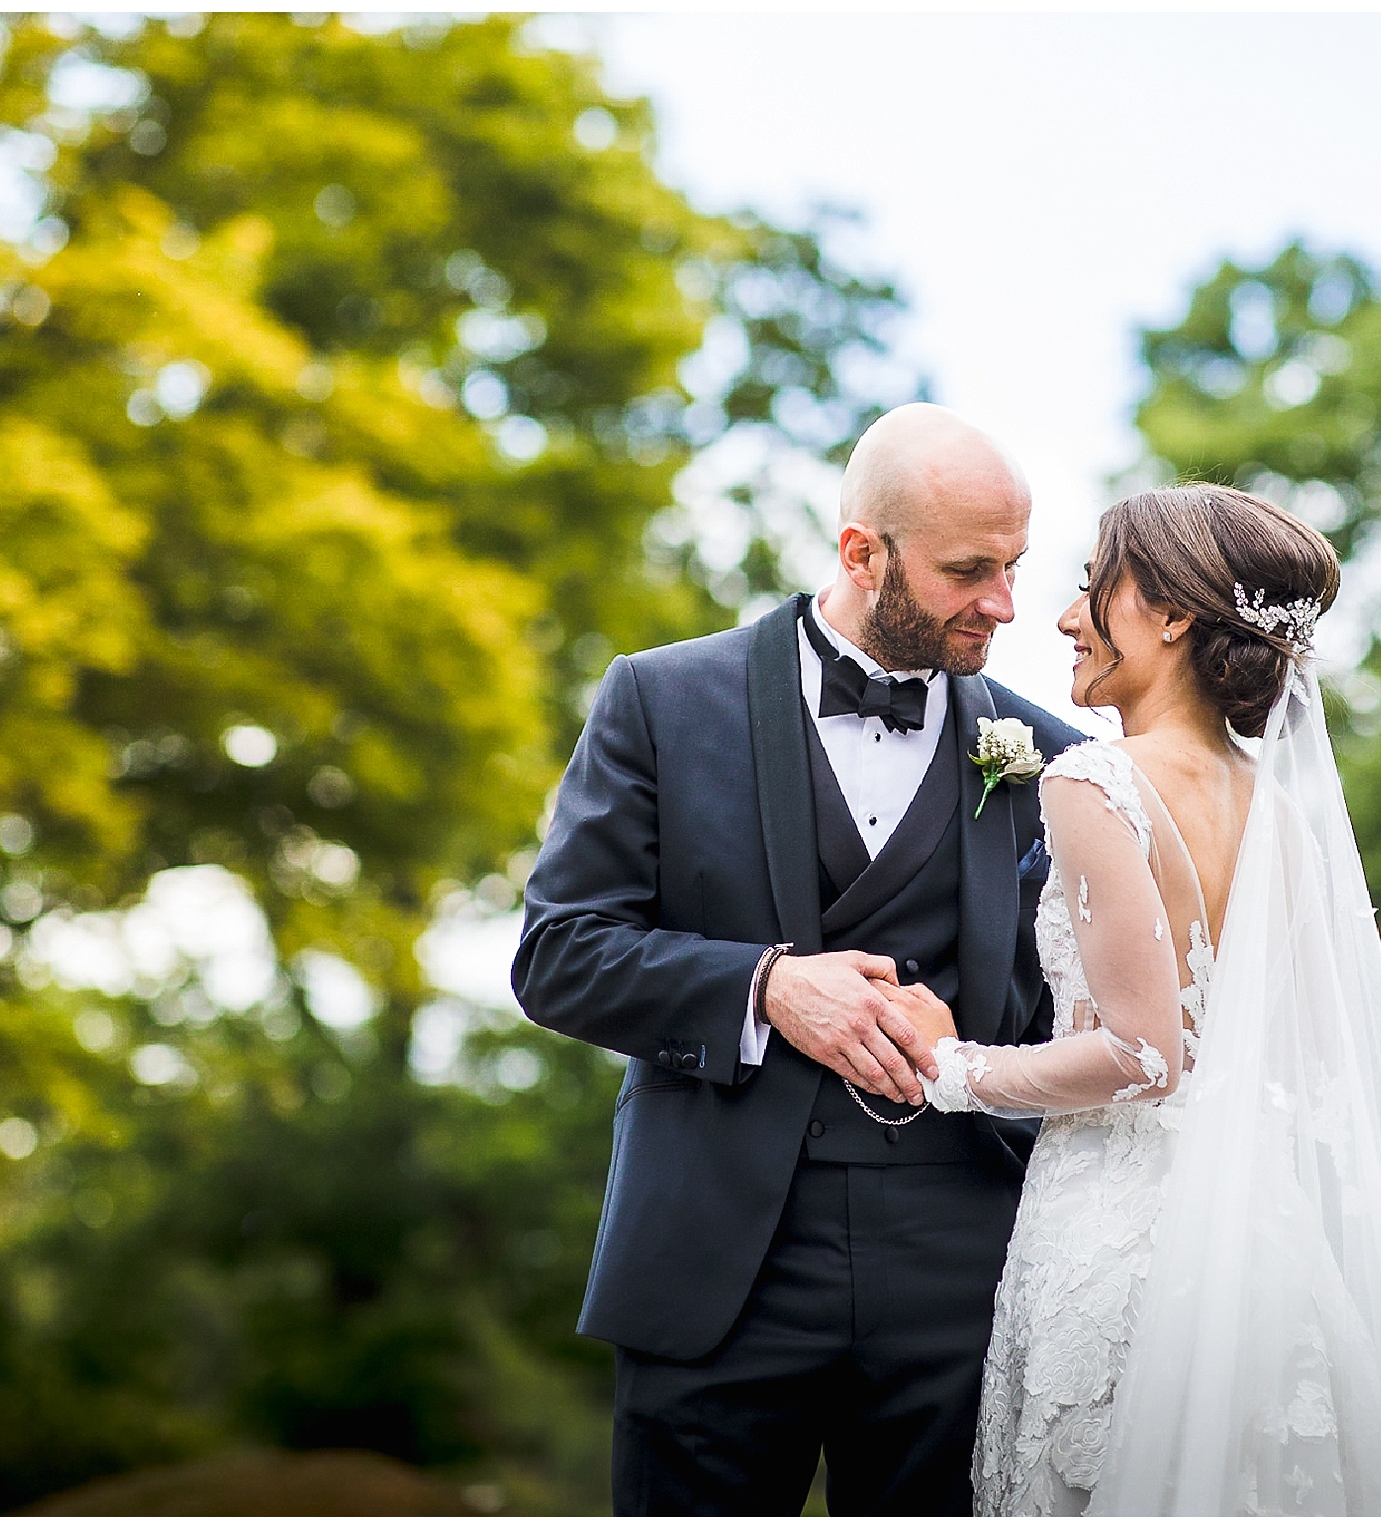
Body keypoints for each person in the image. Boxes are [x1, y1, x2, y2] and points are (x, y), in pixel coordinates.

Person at [889, 484, 1381, 1515]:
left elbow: (1148, 1055)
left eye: (1090, 588)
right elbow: (1306, 1062)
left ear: (1173, 614)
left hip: (1120, 1245)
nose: (1063, 618)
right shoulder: (1280, 809)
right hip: (1263, 1246)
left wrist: (952, 1065)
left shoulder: (1093, 778)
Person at [511, 403, 1083, 1514]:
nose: (1004, 605)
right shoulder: (662, 699)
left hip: (963, 1267)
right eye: (970, 570)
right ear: (861, 552)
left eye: (1015, 565)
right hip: (716, 1263)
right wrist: (765, 985)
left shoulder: (1051, 761)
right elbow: (559, 953)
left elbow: (1078, 1020)